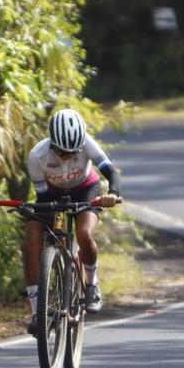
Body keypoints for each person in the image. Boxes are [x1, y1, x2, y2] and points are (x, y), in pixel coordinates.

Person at [23, 109, 121, 332]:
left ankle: (92, 284)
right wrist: (55, 224)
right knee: (31, 243)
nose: (66, 157)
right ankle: (37, 311)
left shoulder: (87, 142)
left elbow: (111, 172)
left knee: (84, 234)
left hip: (86, 190)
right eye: (61, 152)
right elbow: (43, 196)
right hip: (51, 195)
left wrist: (113, 193)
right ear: (52, 143)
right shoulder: (37, 155)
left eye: (72, 153)